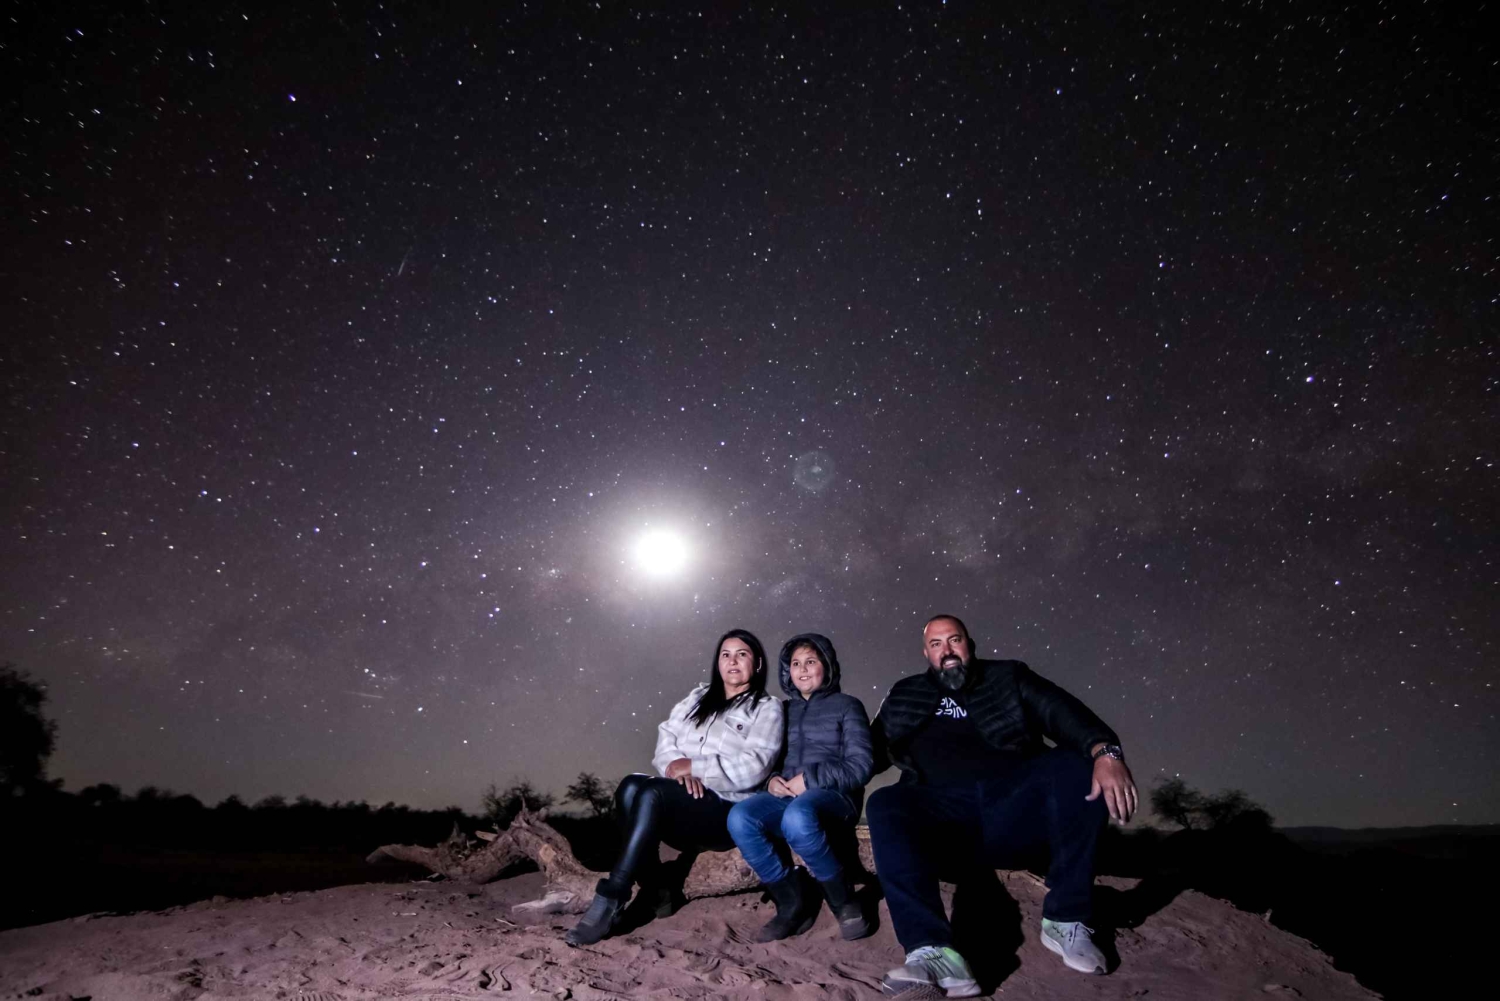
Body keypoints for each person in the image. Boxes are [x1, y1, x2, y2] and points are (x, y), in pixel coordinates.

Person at [866, 614, 1136, 997]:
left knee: (1075, 763)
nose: (947, 651)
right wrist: (813, 780)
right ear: (926, 652)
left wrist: (1105, 751)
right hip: (943, 816)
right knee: (885, 801)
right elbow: (866, 755)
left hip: (1011, 808)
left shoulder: (1008, 676)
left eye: (954, 640)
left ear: (969, 644)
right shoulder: (904, 693)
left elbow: (1061, 712)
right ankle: (933, 952)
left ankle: (1066, 917)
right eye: (937, 644)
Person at [565, 628, 785, 946]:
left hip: (727, 810)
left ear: (758, 663)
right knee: (629, 786)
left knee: (652, 794)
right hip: (685, 799)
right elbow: (667, 739)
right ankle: (658, 889)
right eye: (725, 654)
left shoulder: (767, 708)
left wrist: (696, 768)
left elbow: (755, 767)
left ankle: (613, 895)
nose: (732, 661)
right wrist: (675, 769)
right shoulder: (697, 698)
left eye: (742, 654)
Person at [726, 633, 875, 942]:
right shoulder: (781, 711)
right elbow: (767, 760)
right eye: (795, 663)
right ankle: (792, 902)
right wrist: (771, 781)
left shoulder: (848, 706)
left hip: (835, 797)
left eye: (811, 661)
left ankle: (843, 901)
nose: (803, 670)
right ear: (787, 670)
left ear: (827, 666)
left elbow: (861, 766)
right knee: (740, 817)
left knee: (798, 816)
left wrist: (810, 780)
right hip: (788, 797)